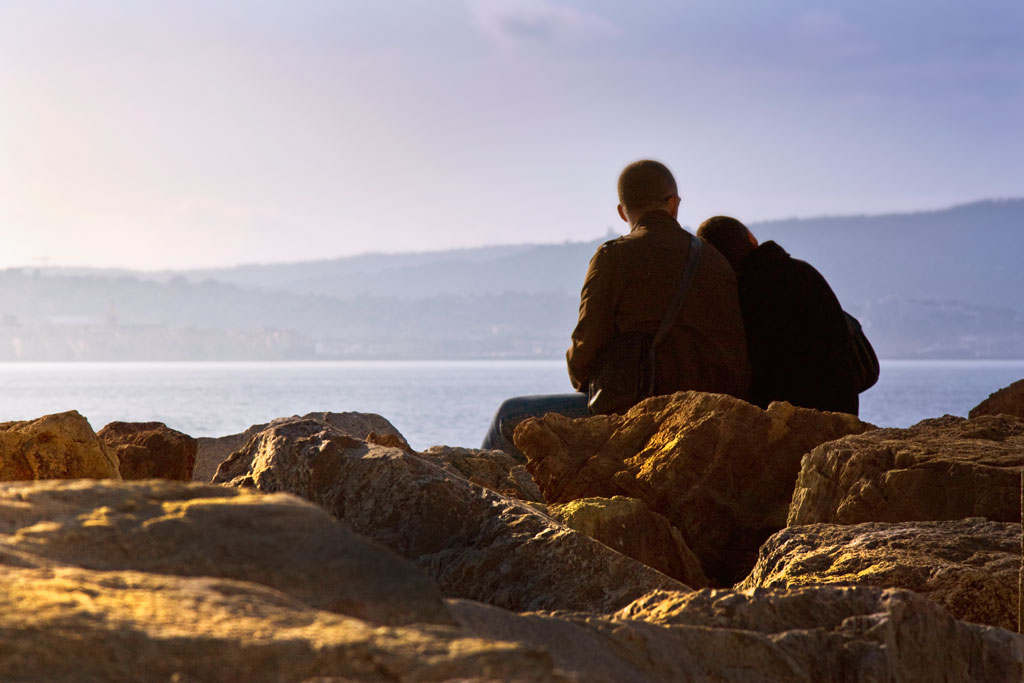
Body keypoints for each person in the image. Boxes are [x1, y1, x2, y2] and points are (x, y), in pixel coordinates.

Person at [482, 160, 750, 459]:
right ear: (674, 203)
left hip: (642, 413)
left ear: (623, 211)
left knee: (508, 417)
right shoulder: (716, 261)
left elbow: (584, 353)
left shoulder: (614, 256)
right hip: (718, 415)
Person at [696, 215, 859, 415]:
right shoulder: (805, 271)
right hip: (841, 405)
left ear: (715, 258)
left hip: (785, 414)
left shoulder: (741, 293)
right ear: (751, 239)